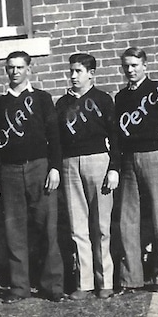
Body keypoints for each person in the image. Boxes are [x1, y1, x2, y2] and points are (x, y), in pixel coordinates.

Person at [0, 51, 65, 303]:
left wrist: (54, 168)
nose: (15, 72)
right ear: (6, 71)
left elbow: (54, 136)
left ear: (29, 69)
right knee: (14, 230)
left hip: (39, 168)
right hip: (9, 172)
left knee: (47, 227)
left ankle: (52, 285)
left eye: (20, 67)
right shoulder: (0, 104)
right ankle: (19, 287)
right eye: (11, 68)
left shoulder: (42, 99)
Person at [114, 47, 158, 294]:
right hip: (128, 159)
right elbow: (118, 135)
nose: (130, 70)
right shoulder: (120, 98)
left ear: (145, 66)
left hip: (154, 156)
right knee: (127, 220)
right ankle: (131, 278)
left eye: (134, 65)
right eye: (126, 66)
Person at [56, 53, 120, 300]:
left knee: (101, 225)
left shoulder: (103, 100)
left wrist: (114, 167)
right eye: (71, 71)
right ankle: (84, 283)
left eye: (78, 71)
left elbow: (115, 136)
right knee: (78, 227)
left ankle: (106, 281)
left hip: (98, 163)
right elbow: (57, 139)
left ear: (91, 73)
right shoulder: (62, 104)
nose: (73, 76)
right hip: (70, 164)